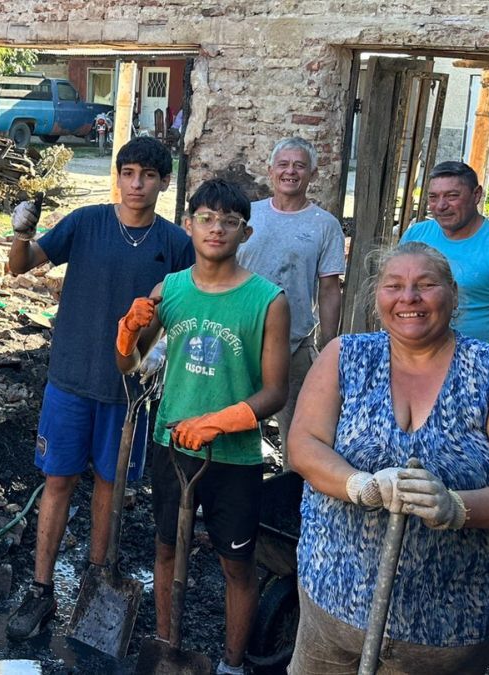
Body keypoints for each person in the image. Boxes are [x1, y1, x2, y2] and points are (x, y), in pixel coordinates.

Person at [289, 242, 489, 673]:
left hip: (450, 627)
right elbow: (304, 444)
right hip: (332, 606)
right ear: (377, 297)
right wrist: (360, 485)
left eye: (426, 285)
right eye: (394, 285)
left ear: (453, 294)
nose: (408, 297)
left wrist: (458, 507)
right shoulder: (346, 356)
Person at [4, 136, 195, 640]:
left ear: (164, 182)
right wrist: (21, 234)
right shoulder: (86, 223)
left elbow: (189, 308)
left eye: (148, 176)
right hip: (71, 378)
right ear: (118, 176)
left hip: (130, 393)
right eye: (128, 173)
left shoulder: (175, 244)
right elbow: (20, 265)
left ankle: (95, 581)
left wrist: (163, 352)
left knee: (111, 488)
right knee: (58, 482)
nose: (137, 185)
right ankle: (41, 589)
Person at [118, 179, 290, 673]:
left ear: (245, 232)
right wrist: (128, 329)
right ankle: (165, 645)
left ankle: (233, 664)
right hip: (172, 446)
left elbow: (276, 391)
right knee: (166, 549)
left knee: (236, 564)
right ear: (188, 225)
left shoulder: (268, 300)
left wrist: (220, 421)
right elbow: (129, 365)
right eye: (207, 219)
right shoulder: (169, 290)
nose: (217, 229)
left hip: (233, 457)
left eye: (229, 222)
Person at [237, 137, 345, 469]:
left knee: (298, 433)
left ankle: (289, 494)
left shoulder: (324, 225)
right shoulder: (247, 216)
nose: (290, 172)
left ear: (313, 173)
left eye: (300, 165)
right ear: (270, 170)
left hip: (294, 344)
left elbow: (329, 288)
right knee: (235, 424)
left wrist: (329, 344)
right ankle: (234, 490)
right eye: (283, 164)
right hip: (239, 339)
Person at [399, 161, 489, 362]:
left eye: (452, 196)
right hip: (416, 360)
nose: (441, 206)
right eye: (433, 197)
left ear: (476, 195)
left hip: (477, 364)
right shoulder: (415, 235)